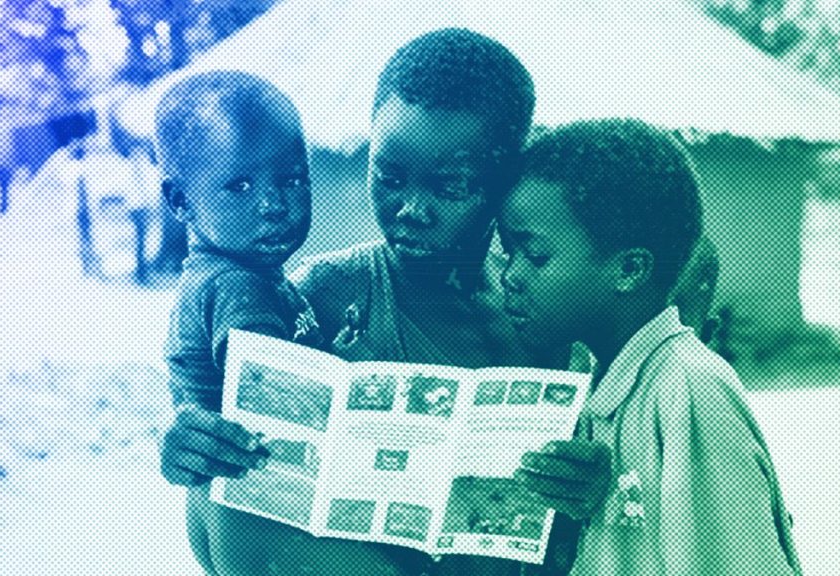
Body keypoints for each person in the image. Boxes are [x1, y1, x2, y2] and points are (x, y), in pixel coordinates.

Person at [160, 29, 603, 576]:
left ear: (505, 177)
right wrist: (191, 440)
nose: (411, 210)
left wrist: (592, 481)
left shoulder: (549, 305)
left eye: (450, 187)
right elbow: (239, 502)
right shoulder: (322, 299)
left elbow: (614, 481)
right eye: (389, 178)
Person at [501, 119, 803, 575]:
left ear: (629, 270)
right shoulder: (603, 385)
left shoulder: (688, 389)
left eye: (536, 256)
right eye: (509, 254)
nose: (511, 276)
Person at [155, 70, 327, 573]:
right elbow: (282, 397)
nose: (274, 206)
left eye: (292, 179)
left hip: (218, 504)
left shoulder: (218, 275)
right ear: (180, 201)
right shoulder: (238, 287)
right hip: (257, 505)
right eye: (241, 185)